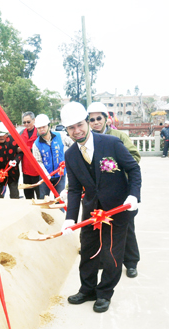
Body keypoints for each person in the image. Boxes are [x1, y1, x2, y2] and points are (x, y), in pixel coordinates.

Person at [60, 102, 141, 313]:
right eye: (71, 128)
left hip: (117, 210)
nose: (76, 131)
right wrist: (70, 217)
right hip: (91, 212)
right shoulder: (70, 155)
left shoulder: (111, 143)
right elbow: (75, 189)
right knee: (88, 251)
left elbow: (133, 170)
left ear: (87, 122)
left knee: (111, 254)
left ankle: (104, 293)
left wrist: (133, 195)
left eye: (79, 124)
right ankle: (87, 289)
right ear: (66, 130)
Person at [87, 102, 141, 278]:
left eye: (99, 118)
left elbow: (134, 157)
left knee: (126, 227)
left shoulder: (118, 136)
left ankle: (131, 262)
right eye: (92, 119)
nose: (95, 122)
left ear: (106, 119)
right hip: (99, 194)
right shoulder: (87, 140)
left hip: (119, 191)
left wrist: (112, 165)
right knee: (102, 226)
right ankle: (105, 259)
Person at [31, 114, 65, 199]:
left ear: (49, 126)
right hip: (45, 177)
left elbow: (72, 146)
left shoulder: (60, 136)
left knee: (59, 199)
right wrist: (46, 175)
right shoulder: (36, 144)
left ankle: (59, 212)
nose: (42, 129)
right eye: (39, 128)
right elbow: (38, 161)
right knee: (43, 199)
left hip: (60, 175)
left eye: (44, 127)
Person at [0, 122, 21, 198]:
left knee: (15, 196)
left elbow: (21, 152)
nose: (1, 137)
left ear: (7, 133)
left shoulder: (14, 140)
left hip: (12, 173)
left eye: (3, 134)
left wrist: (16, 160)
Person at [19, 111, 40, 199]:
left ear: (34, 120)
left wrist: (26, 148)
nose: (26, 124)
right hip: (26, 171)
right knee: (28, 196)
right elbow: (16, 148)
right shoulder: (20, 134)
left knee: (40, 196)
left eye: (28, 122)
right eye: (24, 122)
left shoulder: (39, 133)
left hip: (38, 170)